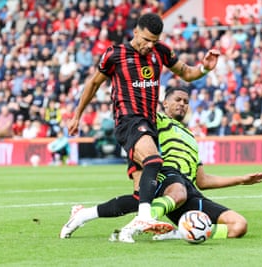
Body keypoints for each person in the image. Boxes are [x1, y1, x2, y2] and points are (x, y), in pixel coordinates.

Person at [67, 13, 220, 235]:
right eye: (146, 40)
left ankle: (83, 215)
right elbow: (93, 84)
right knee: (154, 159)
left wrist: (204, 68)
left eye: (154, 41)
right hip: (128, 121)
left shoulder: (161, 51)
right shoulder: (115, 54)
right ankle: (145, 217)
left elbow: (187, 73)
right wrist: (77, 115)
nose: (149, 46)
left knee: (141, 195)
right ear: (136, 31)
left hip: (149, 126)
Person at [60, 86, 262, 242]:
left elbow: (203, 180)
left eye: (186, 101)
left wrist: (241, 179)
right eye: (177, 99)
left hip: (189, 189)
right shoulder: (156, 120)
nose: (182, 104)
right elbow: (137, 136)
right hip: (165, 177)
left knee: (239, 225)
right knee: (175, 192)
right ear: (165, 104)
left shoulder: (191, 137)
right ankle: (136, 225)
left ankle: (180, 233)